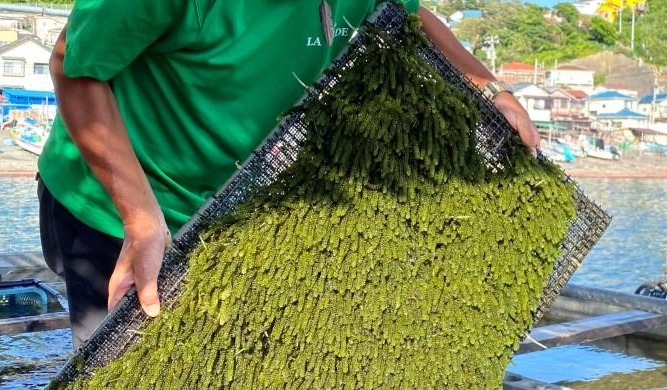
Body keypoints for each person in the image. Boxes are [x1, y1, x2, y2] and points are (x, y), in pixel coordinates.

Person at [38, 0, 540, 348]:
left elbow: (406, 17)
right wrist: (141, 219)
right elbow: (74, 66)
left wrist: (489, 87)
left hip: (240, 207)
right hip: (114, 203)